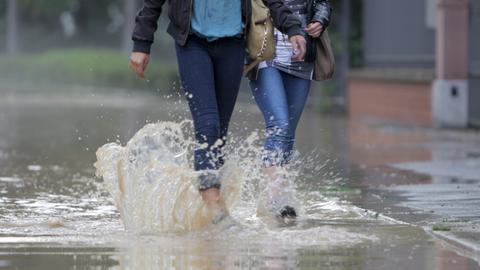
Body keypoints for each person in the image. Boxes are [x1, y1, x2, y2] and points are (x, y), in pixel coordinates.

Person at [128, 0, 307, 221]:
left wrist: (293, 29)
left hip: (232, 45)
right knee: (208, 125)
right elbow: (152, 3)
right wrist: (141, 43)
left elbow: (272, 1)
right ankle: (214, 209)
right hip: (192, 43)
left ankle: (210, 201)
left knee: (220, 133)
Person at [249, 0, 332, 219]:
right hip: (268, 54)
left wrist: (320, 20)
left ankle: (272, 191)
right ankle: (275, 199)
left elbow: (322, 3)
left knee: (288, 132)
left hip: (302, 58)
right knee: (279, 124)